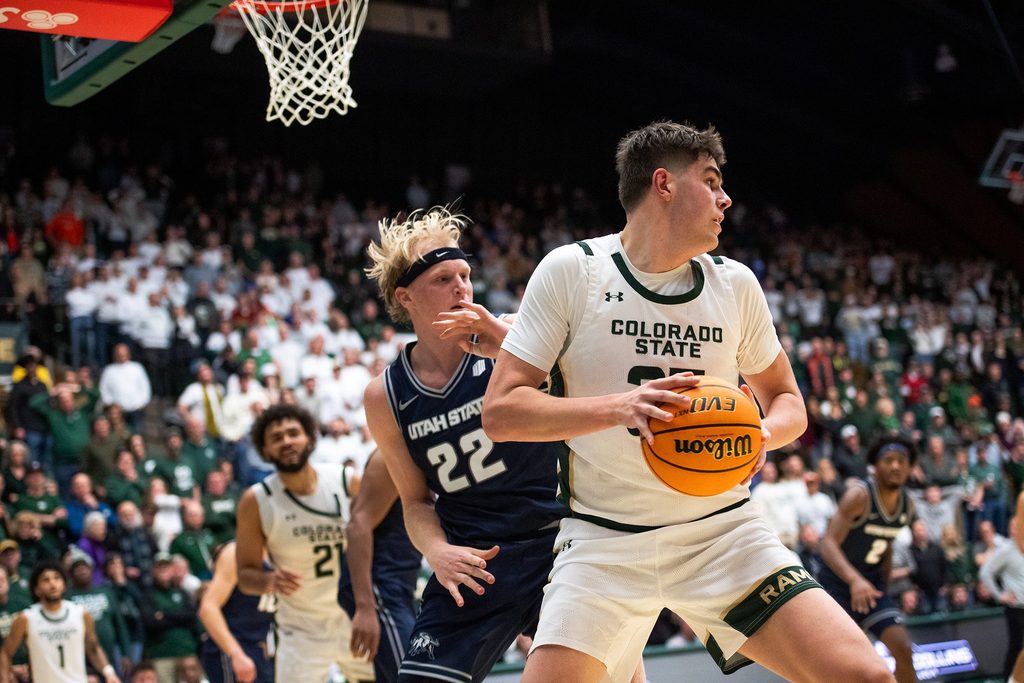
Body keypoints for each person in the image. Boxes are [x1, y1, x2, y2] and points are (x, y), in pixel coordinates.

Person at [483, 121, 890, 682]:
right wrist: (622, 406)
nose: (726, 198)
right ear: (664, 185)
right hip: (604, 543)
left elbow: (788, 400)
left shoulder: (736, 284)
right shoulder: (572, 271)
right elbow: (501, 413)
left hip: (721, 532)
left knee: (866, 676)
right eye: (711, 180)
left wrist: (758, 434)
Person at [363, 208, 564, 683]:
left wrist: (509, 345)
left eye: (465, 275)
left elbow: (586, 390)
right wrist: (435, 551)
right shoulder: (385, 395)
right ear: (405, 297)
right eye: (442, 278)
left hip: (560, 546)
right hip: (475, 563)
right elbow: (414, 501)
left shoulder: (515, 333)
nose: (461, 287)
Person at [235, 404, 372, 683]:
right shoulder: (256, 500)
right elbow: (245, 577)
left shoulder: (346, 481)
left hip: (354, 617)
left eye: (293, 433)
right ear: (265, 451)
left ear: (309, 437)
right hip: (300, 629)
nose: (286, 441)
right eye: (276, 437)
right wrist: (269, 581)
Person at [818, 437, 918, 682]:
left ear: (909, 468)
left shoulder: (908, 505)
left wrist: (883, 588)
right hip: (837, 585)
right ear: (875, 466)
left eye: (901, 461)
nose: (895, 466)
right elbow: (827, 543)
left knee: (903, 648)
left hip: (870, 585)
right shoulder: (859, 495)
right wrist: (854, 580)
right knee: (844, 666)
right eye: (888, 460)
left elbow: (886, 546)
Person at [338, 451, 421, 683]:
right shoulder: (389, 455)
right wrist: (365, 607)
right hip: (379, 590)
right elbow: (358, 525)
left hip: (399, 587)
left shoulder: (421, 448)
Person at [0, 559, 121, 683]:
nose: (53, 584)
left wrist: (109, 673)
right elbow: (5, 653)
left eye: (57, 578)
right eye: (45, 580)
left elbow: (93, 648)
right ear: (37, 589)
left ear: (64, 584)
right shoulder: (26, 618)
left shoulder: (80, 613)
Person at [197, 542, 274, 683]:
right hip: (232, 650)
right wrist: (236, 654)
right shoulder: (236, 552)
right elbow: (208, 608)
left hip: (259, 649)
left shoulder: (283, 554)